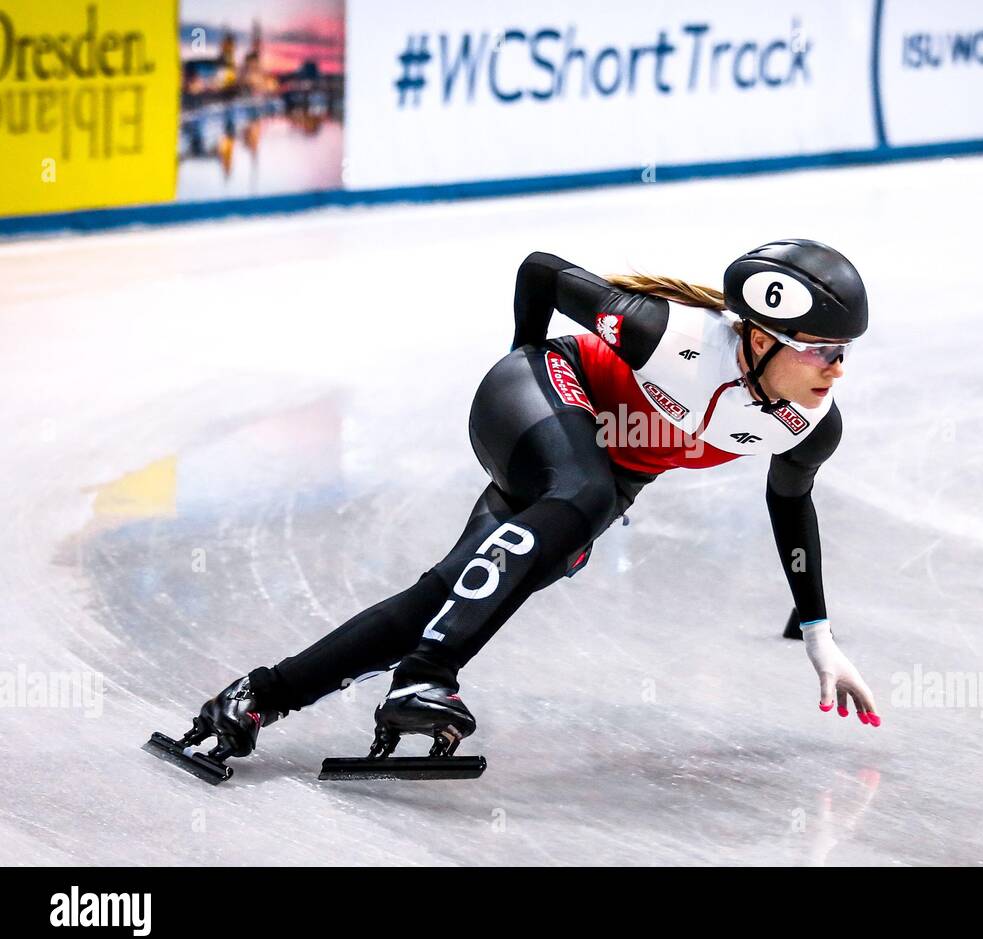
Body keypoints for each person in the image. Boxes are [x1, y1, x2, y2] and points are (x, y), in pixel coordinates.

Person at [188, 238, 880, 765]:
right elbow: (541, 270)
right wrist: (524, 360)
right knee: (578, 493)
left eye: (844, 351)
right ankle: (425, 678)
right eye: (821, 350)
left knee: (455, 593)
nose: (837, 369)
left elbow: (791, 507)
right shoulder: (665, 335)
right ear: (760, 338)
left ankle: (255, 698)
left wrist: (819, 634)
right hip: (541, 392)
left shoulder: (811, 422)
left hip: (603, 472)